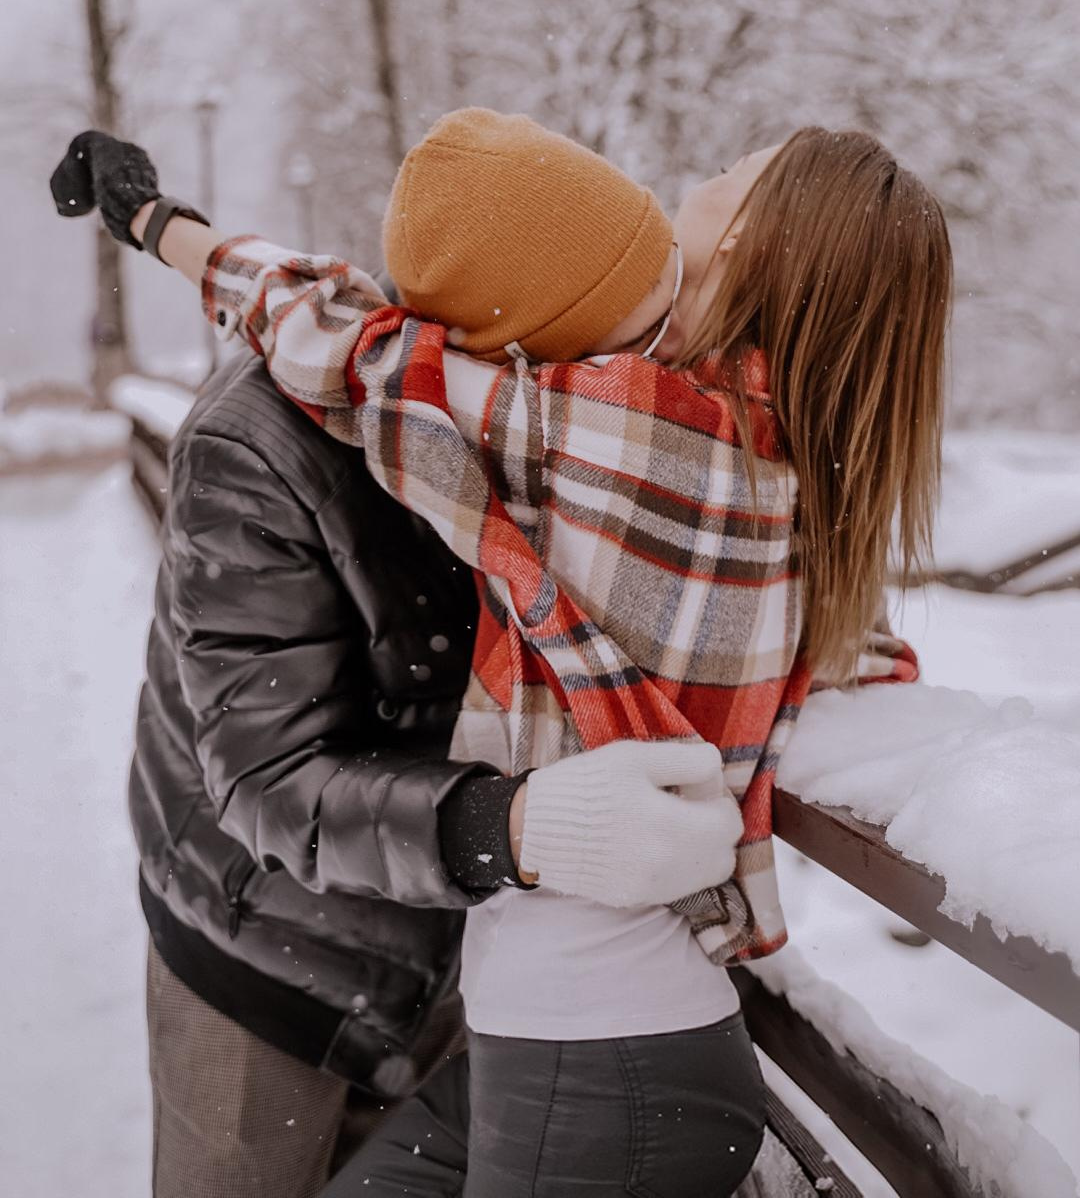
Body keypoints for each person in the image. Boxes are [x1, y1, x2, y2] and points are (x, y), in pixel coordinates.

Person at [51, 109, 938, 1197]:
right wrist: (515, 828)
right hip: (277, 949)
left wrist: (162, 227)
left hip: (510, 985)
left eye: (718, 175)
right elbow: (266, 777)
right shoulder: (288, 436)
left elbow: (323, 323)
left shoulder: (601, 416)